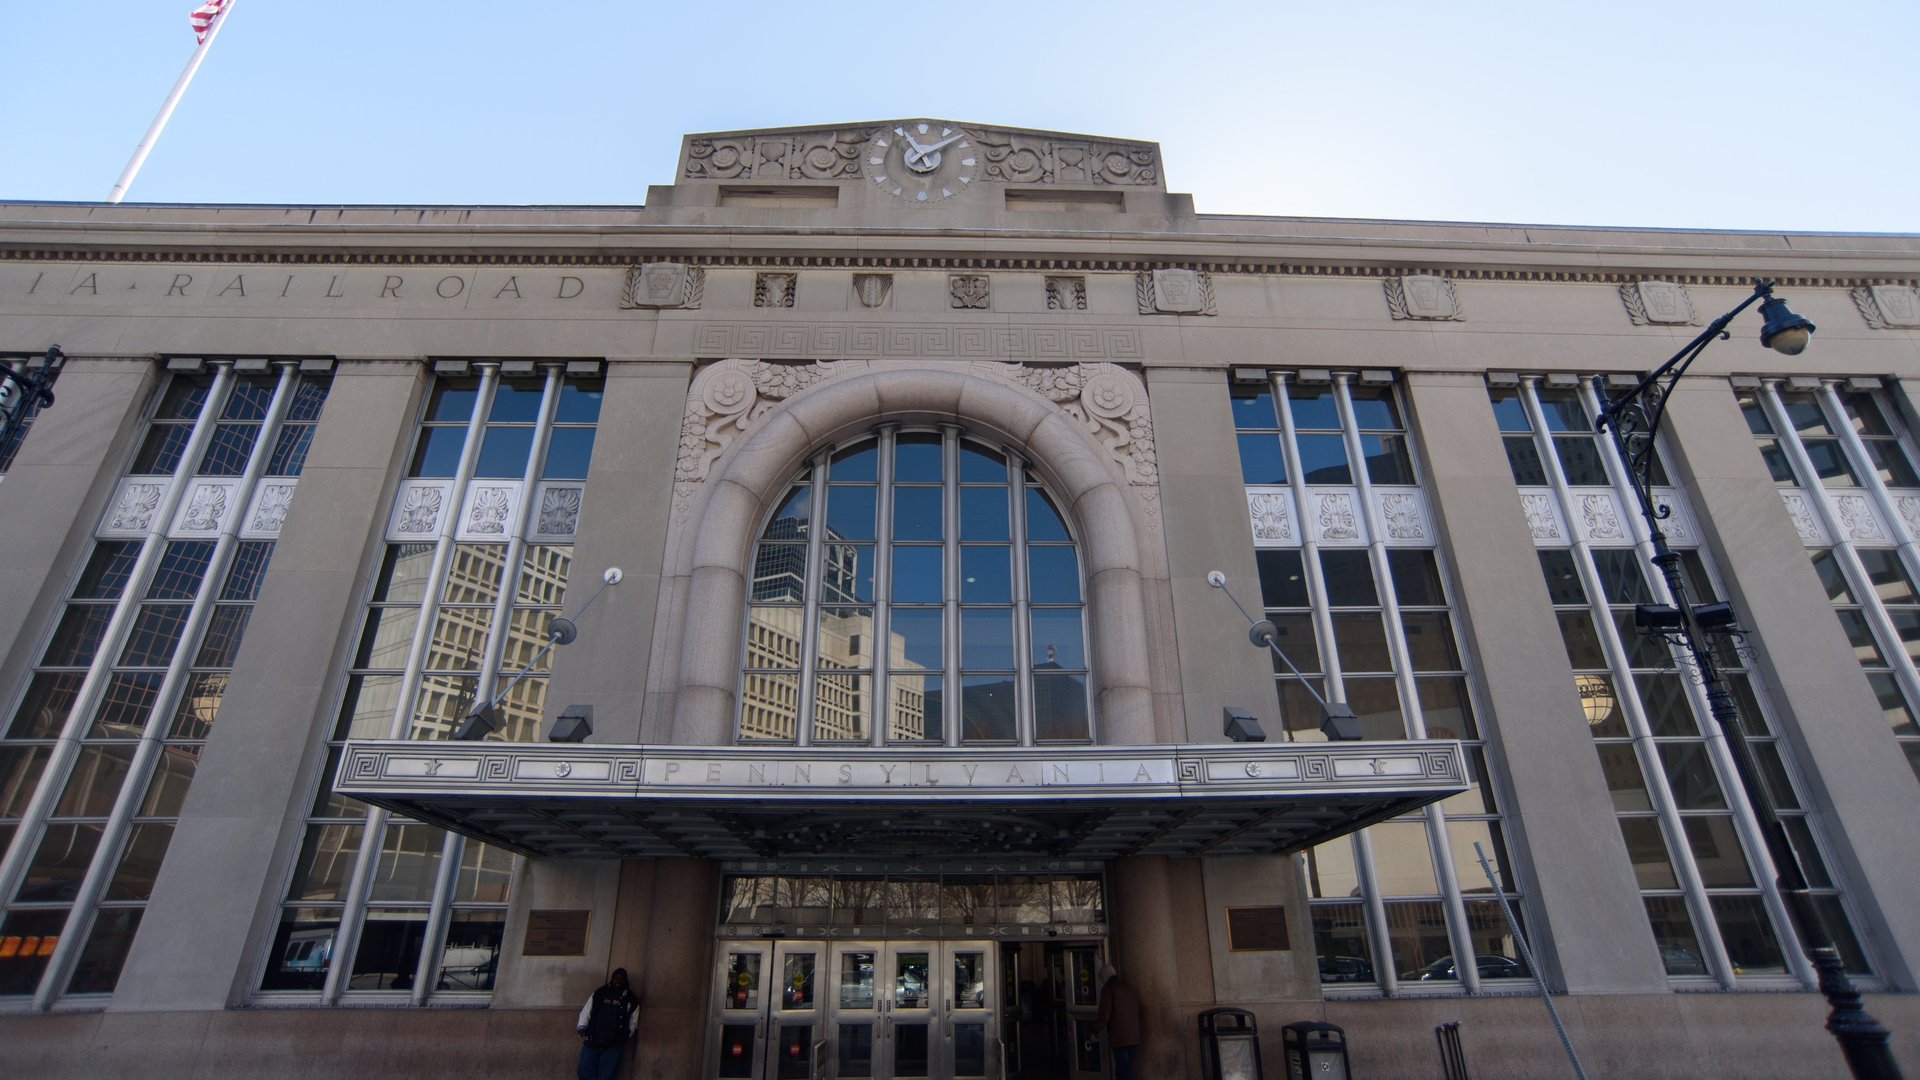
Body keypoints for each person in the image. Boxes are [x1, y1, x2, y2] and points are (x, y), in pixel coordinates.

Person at [575, 967, 639, 1080]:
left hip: (613, 1046)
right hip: (592, 1042)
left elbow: (633, 1021)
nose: (618, 980)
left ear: (625, 981)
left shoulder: (630, 999)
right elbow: (586, 1011)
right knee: (583, 1071)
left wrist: (624, 1036)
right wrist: (582, 1027)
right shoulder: (600, 993)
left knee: (605, 1076)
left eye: (620, 978)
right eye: (616, 978)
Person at [1092, 963, 1142, 1080]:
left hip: (1120, 1038)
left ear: (1104, 977)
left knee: (1124, 1071)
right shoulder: (1126, 988)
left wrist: (1095, 1031)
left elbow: (1104, 1014)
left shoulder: (1108, 988)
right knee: (1121, 1070)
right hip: (1134, 1036)